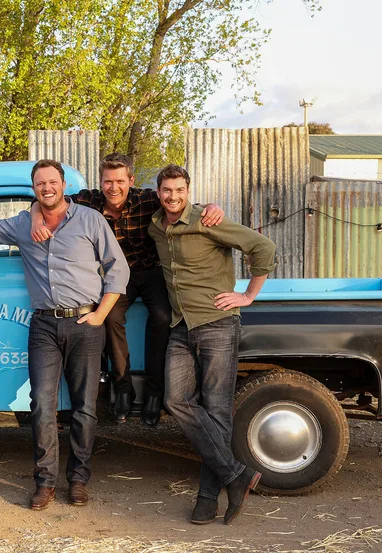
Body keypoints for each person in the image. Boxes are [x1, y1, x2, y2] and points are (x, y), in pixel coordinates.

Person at [0, 159, 129, 510]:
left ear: (63, 185)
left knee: (84, 407)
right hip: (44, 325)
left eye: (53, 182)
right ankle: (45, 482)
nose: (47, 188)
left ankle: (79, 480)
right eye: (40, 184)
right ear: (34, 188)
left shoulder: (89, 219)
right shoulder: (23, 223)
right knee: (42, 405)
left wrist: (99, 314)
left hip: (85, 323)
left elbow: (118, 268)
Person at [31, 154, 224, 426]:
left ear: (130, 181)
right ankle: (122, 388)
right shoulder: (89, 201)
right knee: (109, 316)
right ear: (101, 182)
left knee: (160, 316)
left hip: (150, 271)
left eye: (120, 181)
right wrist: (35, 218)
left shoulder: (147, 199)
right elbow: (48, 200)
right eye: (108, 182)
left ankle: (155, 392)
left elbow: (178, 203)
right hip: (114, 276)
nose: (114, 188)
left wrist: (212, 206)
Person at [148, 164, 276, 525]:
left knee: (217, 410)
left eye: (179, 190)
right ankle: (237, 476)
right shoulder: (156, 225)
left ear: (188, 191)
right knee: (176, 400)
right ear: (158, 193)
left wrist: (248, 295)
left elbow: (262, 247)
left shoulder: (208, 219)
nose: (173, 196)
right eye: (166, 190)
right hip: (180, 326)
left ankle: (208, 498)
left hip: (217, 325)